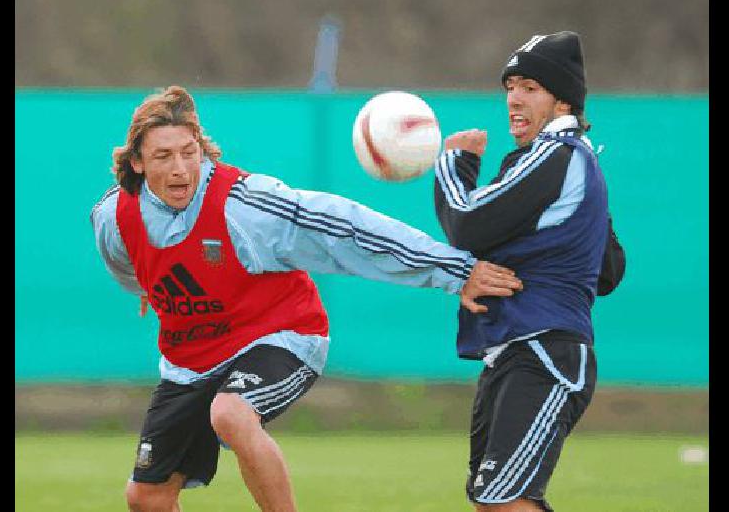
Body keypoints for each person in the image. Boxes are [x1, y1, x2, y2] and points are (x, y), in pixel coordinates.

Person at [90, 85, 524, 512]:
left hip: (281, 335)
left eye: (189, 152)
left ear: (203, 150)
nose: (181, 168)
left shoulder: (245, 206)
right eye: (164, 156)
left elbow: (349, 229)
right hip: (191, 358)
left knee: (231, 414)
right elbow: (125, 264)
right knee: (146, 498)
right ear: (138, 163)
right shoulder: (113, 216)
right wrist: (143, 287)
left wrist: (456, 271)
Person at [434, 31, 626, 511]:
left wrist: (454, 165)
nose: (514, 99)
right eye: (510, 86)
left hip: (543, 350)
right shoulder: (569, 160)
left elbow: (468, 224)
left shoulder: (554, 153)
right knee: (490, 499)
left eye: (530, 87)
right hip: (518, 349)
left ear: (562, 101)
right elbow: (609, 270)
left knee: (504, 500)